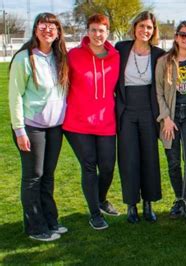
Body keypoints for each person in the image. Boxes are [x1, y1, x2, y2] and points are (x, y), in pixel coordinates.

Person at [8, 12, 69, 241]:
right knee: (33, 177)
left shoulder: (59, 57)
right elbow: (15, 97)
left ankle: (50, 220)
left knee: (48, 176)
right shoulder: (25, 58)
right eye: (43, 26)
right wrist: (19, 130)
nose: (48, 29)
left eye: (53, 26)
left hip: (55, 127)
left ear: (58, 32)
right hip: (31, 127)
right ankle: (35, 227)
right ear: (35, 30)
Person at [62, 14, 120, 230]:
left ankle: (102, 199)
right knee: (89, 166)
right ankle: (95, 213)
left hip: (106, 122)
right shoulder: (73, 55)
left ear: (107, 33)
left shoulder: (115, 56)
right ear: (87, 31)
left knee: (107, 167)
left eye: (102, 30)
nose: (97, 34)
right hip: (77, 123)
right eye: (94, 30)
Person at [115, 11, 165, 224]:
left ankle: (148, 203)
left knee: (149, 157)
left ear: (153, 31)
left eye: (149, 27)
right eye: (141, 26)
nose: (145, 30)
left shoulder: (159, 54)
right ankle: (131, 204)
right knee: (128, 158)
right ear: (134, 27)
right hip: (126, 110)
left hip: (149, 111)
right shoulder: (121, 48)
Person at [156, 21, 186, 224]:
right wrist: (165, 117)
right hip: (171, 117)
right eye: (183, 35)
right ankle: (178, 199)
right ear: (176, 37)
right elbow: (158, 91)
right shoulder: (164, 61)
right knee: (173, 161)